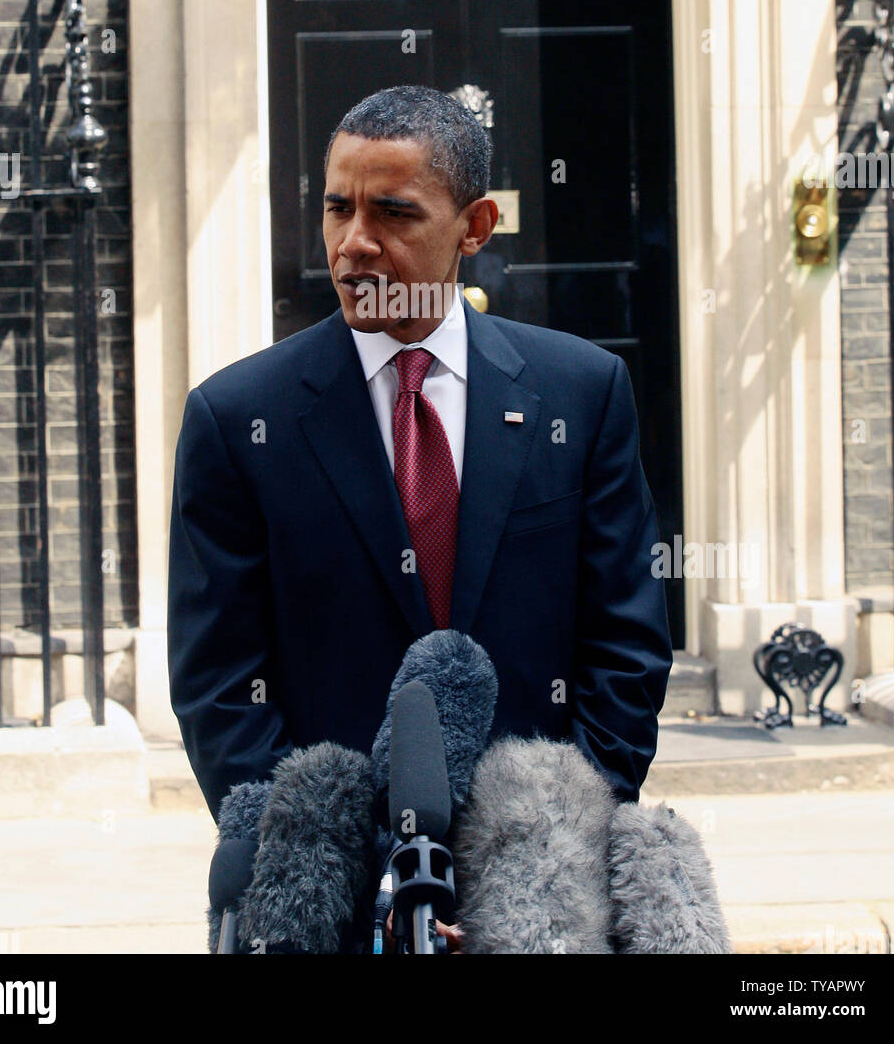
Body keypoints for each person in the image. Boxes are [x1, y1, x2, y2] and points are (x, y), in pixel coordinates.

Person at [168, 86, 672, 947]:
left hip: (536, 894)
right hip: (331, 902)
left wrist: (546, 846)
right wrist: (323, 858)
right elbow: (218, 684)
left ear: (474, 228)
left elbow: (625, 648)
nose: (354, 243)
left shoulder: (582, 394)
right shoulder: (237, 418)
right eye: (337, 208)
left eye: (393, 213)